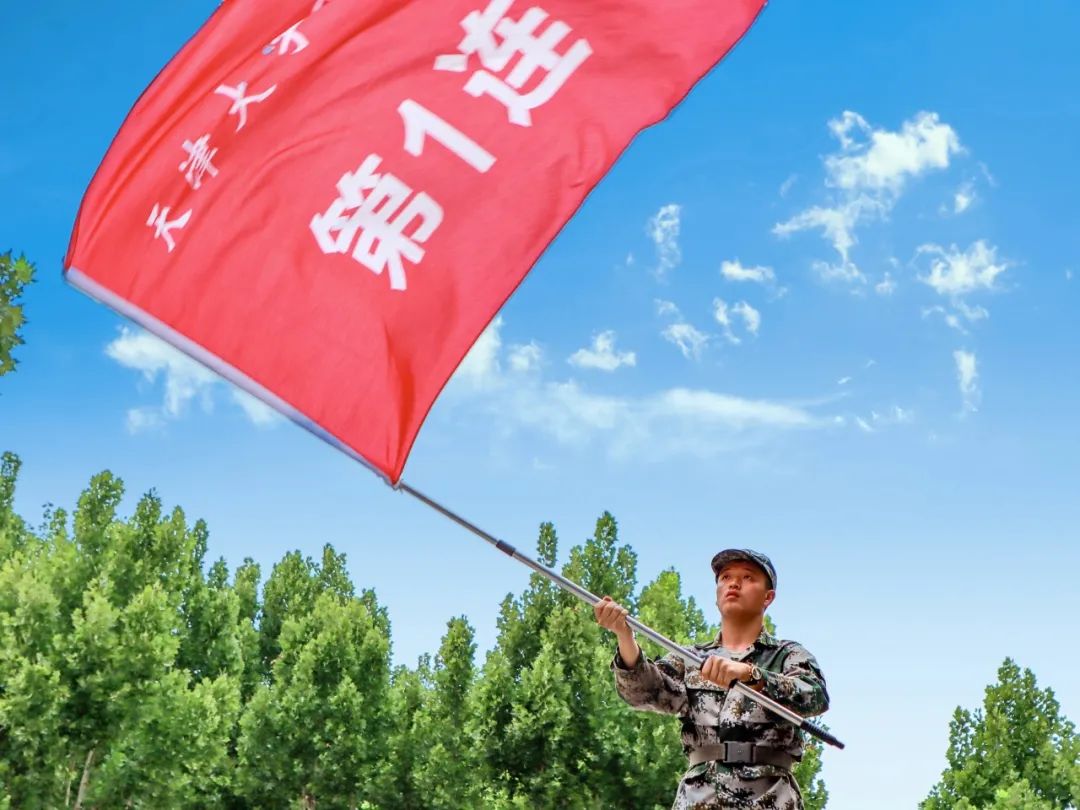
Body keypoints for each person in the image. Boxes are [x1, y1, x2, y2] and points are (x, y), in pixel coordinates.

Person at [594, 548, 829, 810]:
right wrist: (625, 637)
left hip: (770, 798)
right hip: (700, 799)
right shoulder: (691, 658)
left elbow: (815, 696)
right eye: (725, 577)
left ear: (768, 596)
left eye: (748, 577)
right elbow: (644, 693)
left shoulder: (787, 654)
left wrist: (752, 675)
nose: (734, 584)